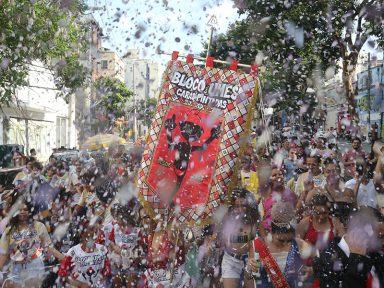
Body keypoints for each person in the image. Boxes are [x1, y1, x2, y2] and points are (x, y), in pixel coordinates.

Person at [245, 201, 314, 288]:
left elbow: (320, 265)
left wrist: (311, 270)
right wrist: (248, 269)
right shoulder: (257, 246)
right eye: (280, 240)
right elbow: (249, 280)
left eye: (288, 240)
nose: (284, 242)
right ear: (272, 231)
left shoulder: (299, 244)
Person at [0, 196, 63, 287]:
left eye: (25, 209)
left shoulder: (39, 226)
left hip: (35, 265)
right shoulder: (8, 231)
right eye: (20, 209)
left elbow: (49, 247)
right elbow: (3, 254)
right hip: (15, 268)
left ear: (30, 211)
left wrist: (65, 258)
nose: (22, 212)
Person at [313, 207, 384, 287]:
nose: (382, 242)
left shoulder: (375, 255)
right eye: (380, 237)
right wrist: (356, 260)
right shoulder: (327, 259)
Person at [220, 188, 262, 288]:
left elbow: (262, 240)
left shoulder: (255, 220)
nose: (240, 209)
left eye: (243, 205)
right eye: (237, 206)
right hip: (230, 260)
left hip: (249, 261)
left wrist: (253, 259)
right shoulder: (228, 217)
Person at [58, 220, 111, 287]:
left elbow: (106, 273)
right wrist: (81, 285)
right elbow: (62, 274)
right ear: (81, 233)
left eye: (91, 230)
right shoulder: (73, 252)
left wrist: (99, 284)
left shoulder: (102, 250)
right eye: (86, 230)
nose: (89, 233)